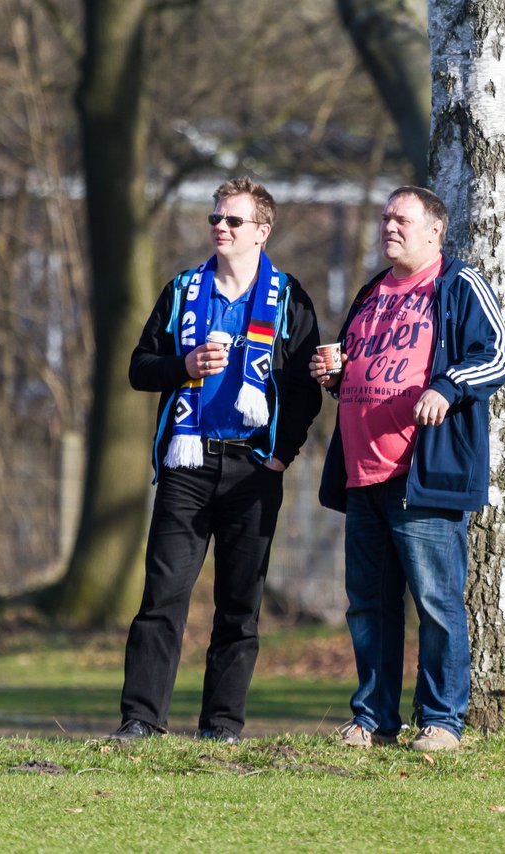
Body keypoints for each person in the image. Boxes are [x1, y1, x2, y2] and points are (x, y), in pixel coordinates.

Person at [107, 177, 322, 744]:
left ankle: (222, 726)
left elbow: (305, 389)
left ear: (262, 231)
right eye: (215, 219)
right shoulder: (182, 291)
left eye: (233, 221)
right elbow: (139, 368)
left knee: (239, 603)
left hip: (254, 469)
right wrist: (185, 363)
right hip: (187, 463)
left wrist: (281, 457)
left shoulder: (289, 298)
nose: (220, 228)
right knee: (163, 597)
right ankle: (141, 720)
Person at [313, 185, 505, 752]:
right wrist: (334, 373)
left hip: (421, 475)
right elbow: (359, 368)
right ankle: (374, 719)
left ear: (434, 231)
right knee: (369, 607)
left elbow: (498, 354)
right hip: (362, 475)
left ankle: (442, 721)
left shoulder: (458, 284)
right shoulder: (372, 291)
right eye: (384, 219)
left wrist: (448, 387)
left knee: (437, 604)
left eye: (402, 219)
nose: (389, 227)